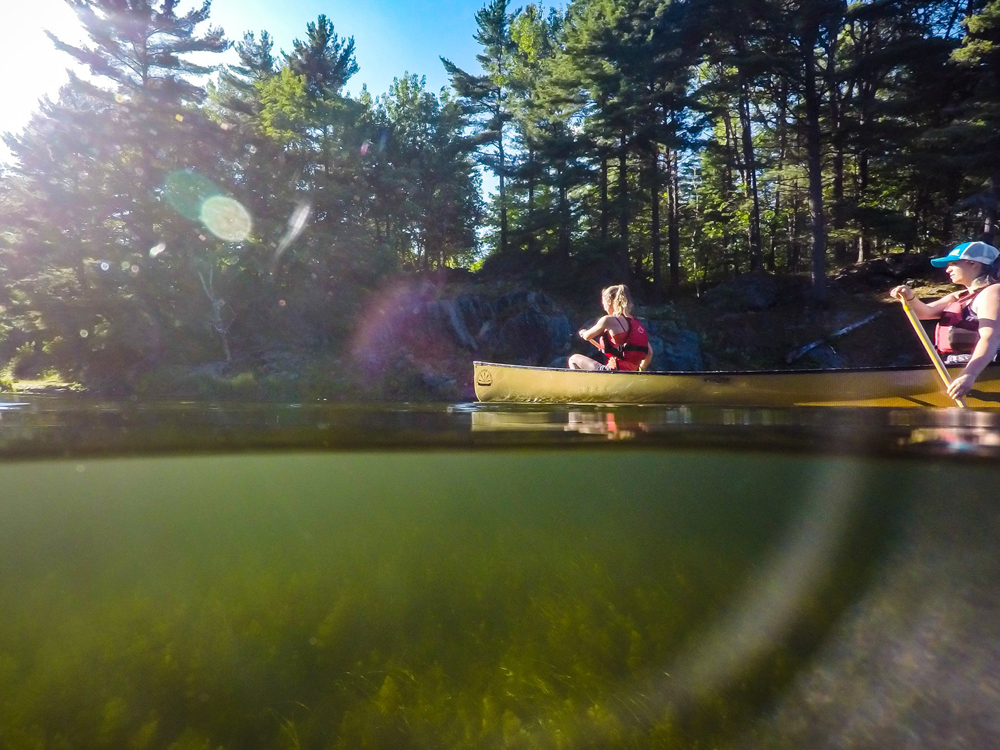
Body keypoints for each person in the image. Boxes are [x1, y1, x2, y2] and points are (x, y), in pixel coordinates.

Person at [890, 240, 1000, 400]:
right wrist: (910, 297)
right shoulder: (960, 296)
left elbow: (991, 337)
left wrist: (969, 375)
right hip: (955, 366)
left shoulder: (993, 293)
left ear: (973, 264)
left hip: (984, 370)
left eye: (953, 264)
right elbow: (924, 313)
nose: (947, 270)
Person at [569, 284, 653, 372]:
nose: (604, 307)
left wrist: (582, 332)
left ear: (609, 301)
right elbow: (649, 352)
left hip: (613, 371)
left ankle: (581, 385)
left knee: (573, 359)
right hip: (631, 373)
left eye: (603, 303)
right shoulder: (637, 324)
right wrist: (640, 369)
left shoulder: (607, 320)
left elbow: (587, 336)